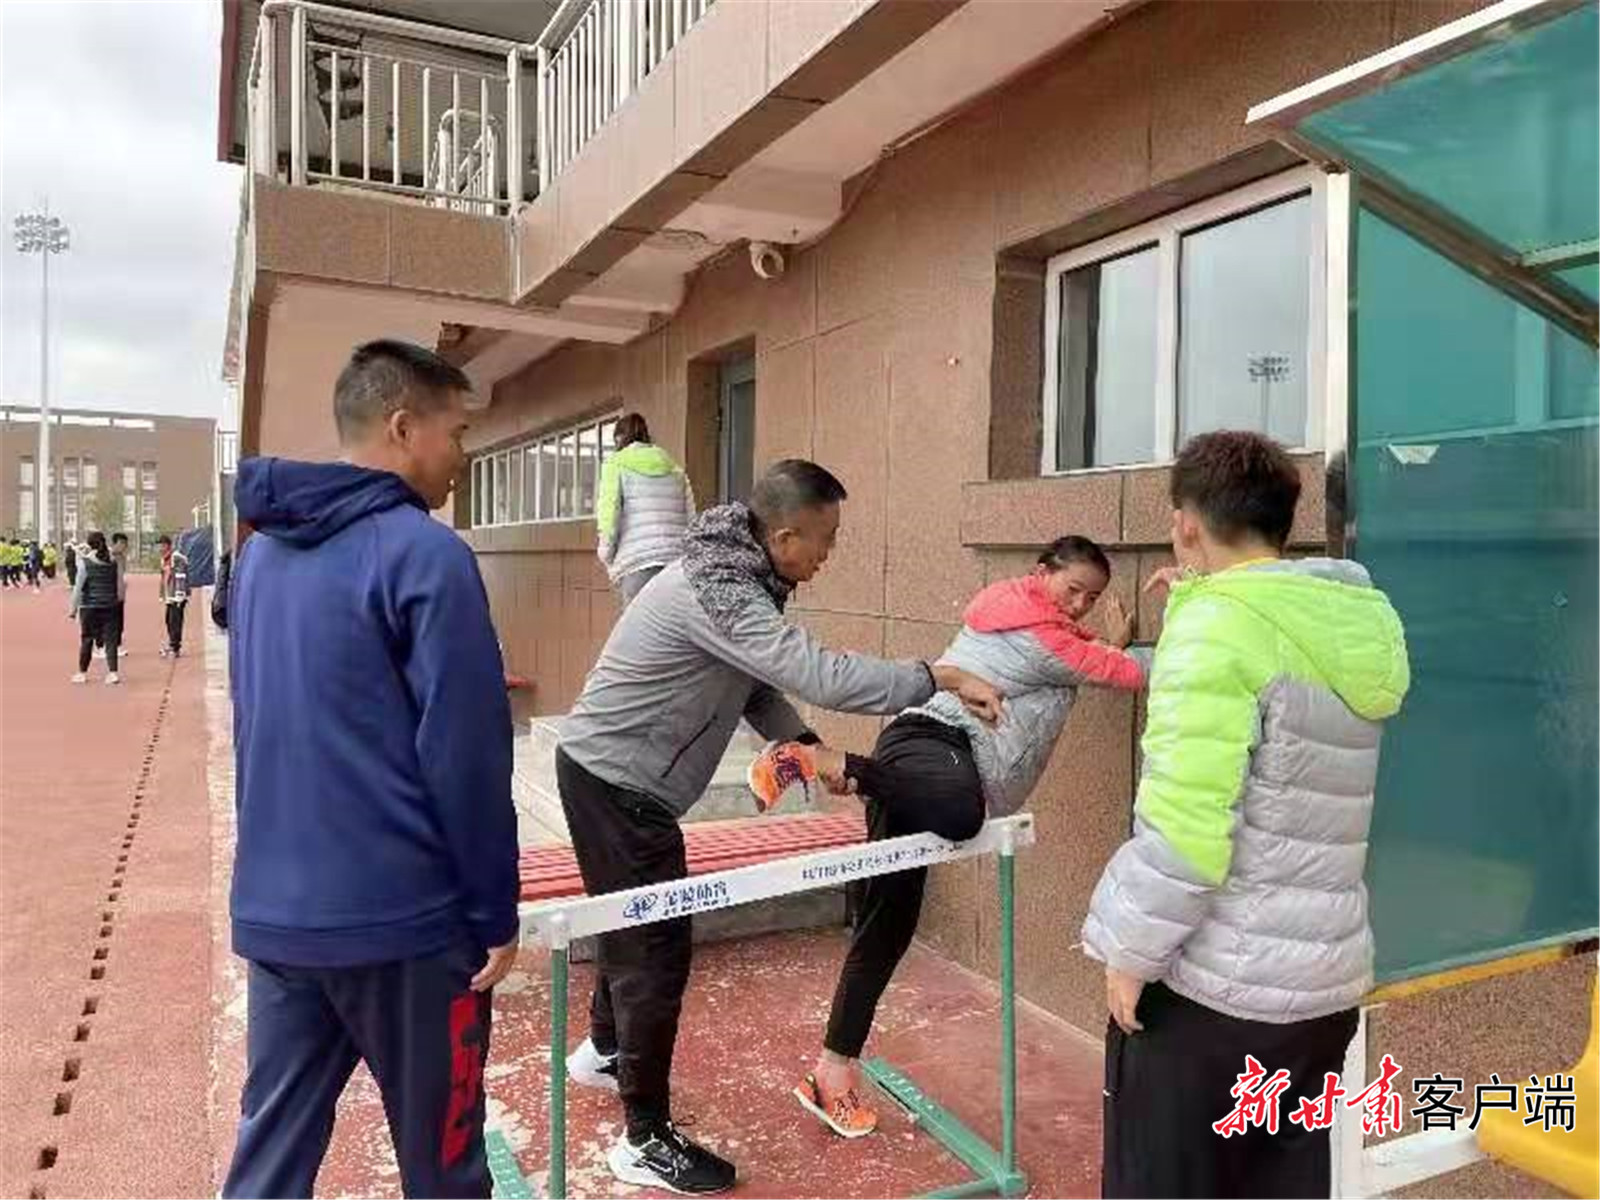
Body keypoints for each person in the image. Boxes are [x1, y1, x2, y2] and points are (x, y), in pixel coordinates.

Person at [555, 458, 1003, 1195]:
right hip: (617, 785)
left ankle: (606, 1051)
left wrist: (803, 745)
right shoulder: (722, 590)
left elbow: (753, 685)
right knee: (654, 952)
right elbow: (818, 673)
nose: (829, 554)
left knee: (636, 927)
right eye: (826, 539)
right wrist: (939, 676)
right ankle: (644, 1139)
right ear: (786, 535)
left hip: (614, 777)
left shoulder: (736, 572)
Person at [222, 339, 520, 1200]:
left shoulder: (261, 558)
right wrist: (493, 911)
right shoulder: (426, 554)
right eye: (456, 432)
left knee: (269, 1166)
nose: (462, 455)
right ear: (402, 428)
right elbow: (466, 754)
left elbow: (259, 722)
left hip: (279, 915)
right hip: (407, 928)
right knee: (446, 1171)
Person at [1080, 431, 1410, 1200]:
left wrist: (1130, 953)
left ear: (1186, 523)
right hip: (1320, 994)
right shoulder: (1345, 622)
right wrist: (1200, 598)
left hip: (1216, 998)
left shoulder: (1216, 631)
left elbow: (1187, 834)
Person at [749, 537, 1149, 1138]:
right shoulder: (1041, 639)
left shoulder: (1017, 613)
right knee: (964, 817)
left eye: (1091, 598)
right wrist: (1185, 621)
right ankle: (825, 761)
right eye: (1073, 590)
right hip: (942, 754)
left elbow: (1082, 658)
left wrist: (1103, 645)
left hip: (913, 759)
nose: (1080, 606)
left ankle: (830, 1075)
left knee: (887, 927)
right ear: (1041, 573)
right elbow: (1129, 672)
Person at [595, 412, 695, 607]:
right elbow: (691, 519)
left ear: (619, 438)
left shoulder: (615, 464)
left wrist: (606, 555)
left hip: (637, 562)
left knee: (636, 625)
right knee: (670, 623)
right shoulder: (675, 470)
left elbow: (609, 516)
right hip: (675, 564)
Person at [69, 531, 121, 685]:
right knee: (111, 640)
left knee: (87, 639)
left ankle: (82, 673)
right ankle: (113, 673)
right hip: (110, 605)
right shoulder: (113, 562)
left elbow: (78, 588)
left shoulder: (85, 563)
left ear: (89, 544)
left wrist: (73, 609)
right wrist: (117, 600)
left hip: (89, 607)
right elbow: (119, 584)